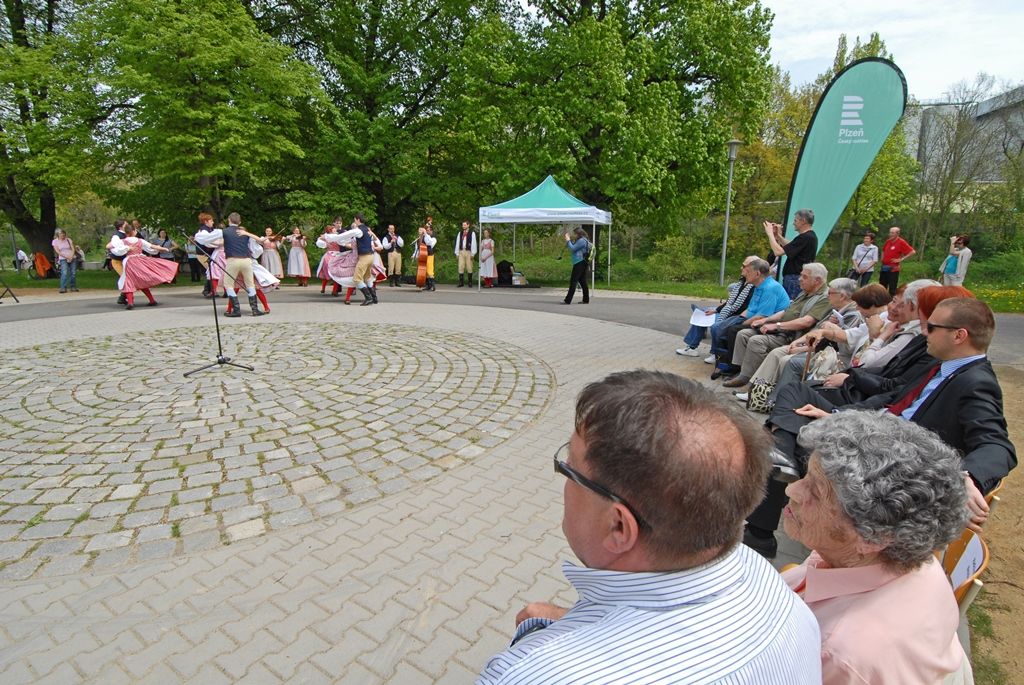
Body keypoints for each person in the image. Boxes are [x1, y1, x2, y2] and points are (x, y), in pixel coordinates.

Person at [477, 370, 821, 684]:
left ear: (618, 527)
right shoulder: (772, 588)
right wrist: (566, 621)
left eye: (570, 471)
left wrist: (547, 641)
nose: (565, 478)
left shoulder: (533, 674)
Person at [747, 292, 1016, 558]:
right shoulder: (943, 366)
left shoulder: (976, 381)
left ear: (959, 336)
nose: (924, 332)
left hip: (884, 457)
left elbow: (997, 444)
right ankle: (783, 458)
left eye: (931, 328)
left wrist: (969, 478)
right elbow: (893, 399)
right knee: (795, 393)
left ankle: (764, 522)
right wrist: (839, 415)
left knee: (792, 439)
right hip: (872, 428)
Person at [782, 411, 972, 684]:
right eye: (806, 475)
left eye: (817, 490)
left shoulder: (839, 653)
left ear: (873, 537)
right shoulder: (915, 558)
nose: (793, 490)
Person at [719, 263, 832, 390]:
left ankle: (757, 384)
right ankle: (743, 374)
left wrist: (776, 325)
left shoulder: (824, 298)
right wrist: (766, 320)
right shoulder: (805, 292)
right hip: (782, 330)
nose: (799, 279)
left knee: (756, 341)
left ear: (817, 280)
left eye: (804, 277)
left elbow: (806, 322)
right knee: (743, 334)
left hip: (793, 336)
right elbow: (786, 311)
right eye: (801, 275)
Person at [709, 257, 790, 371]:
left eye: (748, 272)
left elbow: (763, 316)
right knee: (723, 327)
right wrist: (739, 318)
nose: (744, 274)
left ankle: (734, 367)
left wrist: (742, 322)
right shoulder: (759, 286)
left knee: (733, 330)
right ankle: (725, 360)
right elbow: (750, 309)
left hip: (772, 324)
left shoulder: (770, 288)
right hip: (756, 319)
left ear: (757, 274)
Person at [676, 256, 757, 356]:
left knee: (712, 322)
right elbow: (730, 302)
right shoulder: (742, 282)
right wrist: (716, 310)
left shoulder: (753, 286)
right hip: (729, 311)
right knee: (703, 313)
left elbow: (743, 308)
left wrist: (721, 312)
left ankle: (715, 354)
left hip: (735, 316)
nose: (741, 268)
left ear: (752, 268)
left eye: (744, 266)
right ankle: (691, 347)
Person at [195, 212, 266, 317]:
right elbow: (258, 246)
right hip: (247, 261)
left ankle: (236, 310)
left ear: (229, 220)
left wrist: (201, 236)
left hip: (232, 260)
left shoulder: (223, 232)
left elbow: (202, 238)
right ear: (240, 222)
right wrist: (248, 234)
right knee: (250, 285)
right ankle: (255, 310)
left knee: (228, 285)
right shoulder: (245, 233)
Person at [106, 223, 176, 309]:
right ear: (134, 231)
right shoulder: (140, 240)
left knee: (128, 281)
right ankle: (152, 300)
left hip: (129, 262)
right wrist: (164, 248)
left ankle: (130, 302)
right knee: (141, 280)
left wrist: (127, 248)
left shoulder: (123, 241)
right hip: (140, 261)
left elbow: (109, 246)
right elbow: (151, 246)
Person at [764, 209, 818, 298]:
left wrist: (770, 234)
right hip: (794, 278)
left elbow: (778, 252)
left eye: (795, 220)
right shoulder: (808, 237)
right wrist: (778, 236)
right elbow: (791, 247)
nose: (793, 223)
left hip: (794, 279)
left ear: (803, 221)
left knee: (789, 306)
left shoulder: (805, 237)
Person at [350, 213, 378, 306]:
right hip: (371, 256)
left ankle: (368, 298)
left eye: (355, 220)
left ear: (358, 220)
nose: (355, 222)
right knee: (367, 278)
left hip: (364, 257)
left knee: (357, 279)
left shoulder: (359, 230)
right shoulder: (367, 229)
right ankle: (374, 298)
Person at [879, 226, 915, 295]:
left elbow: (912, 251)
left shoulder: (901, 242)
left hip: (893, 269)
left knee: (892, 289)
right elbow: (883, 250)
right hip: (884, 267)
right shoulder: (888, 241)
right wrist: (882, 258)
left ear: (897, 234)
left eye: (892, 233)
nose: (890, 234)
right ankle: (881, 303)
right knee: (882, 287)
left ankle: (891, 303)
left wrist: (901, 259)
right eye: (890, 232)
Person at [561, 227, 591, 305]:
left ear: (578, 233)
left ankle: (568, 300)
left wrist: (568, 240)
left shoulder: (581, 241)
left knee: (573, 281)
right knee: (582, 281)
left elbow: (573, 248)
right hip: (583, 262)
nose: (574, 235)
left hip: (579, 262)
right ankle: (586, 299)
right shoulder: (585, 240)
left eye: (575, 233)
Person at [51, 229, 79, 293]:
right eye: (61, 235)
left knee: (73, 273)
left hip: (72, 257)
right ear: (58, 235)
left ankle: (73, 287)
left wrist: (71, 256)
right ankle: (63, 287)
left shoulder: (68, 240)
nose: (62, 236)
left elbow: (73, 248)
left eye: (64, 235)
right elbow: (58, 251)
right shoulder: (55, 241)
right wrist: (66, 257)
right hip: (63, 258)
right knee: (64, 272)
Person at [413, 223, 437, 292]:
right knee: (425, 271)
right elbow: (417, 248)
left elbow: (429, 243)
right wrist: (414, 255)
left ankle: (433, 286)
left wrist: (425, 234)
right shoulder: (420, 238)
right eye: (426, 230)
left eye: (428, 230)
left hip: (429, 255)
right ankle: (428, 285)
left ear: (431, 231)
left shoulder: (433, 238)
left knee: (430, 271)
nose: (427, 231)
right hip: (422, 256)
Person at [454, 221, 477, 287]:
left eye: (464, 225)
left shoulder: (472, 233)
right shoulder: (460, 233)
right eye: (462, 225)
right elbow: (457, 243)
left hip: (468, 251)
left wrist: (473, 253)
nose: (463, 226)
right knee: (461, 266)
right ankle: (461, 282)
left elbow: (473, 243)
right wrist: (457, 253)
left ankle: (470, 282)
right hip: (461, 251)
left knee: (469, 266)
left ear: (468, 225)